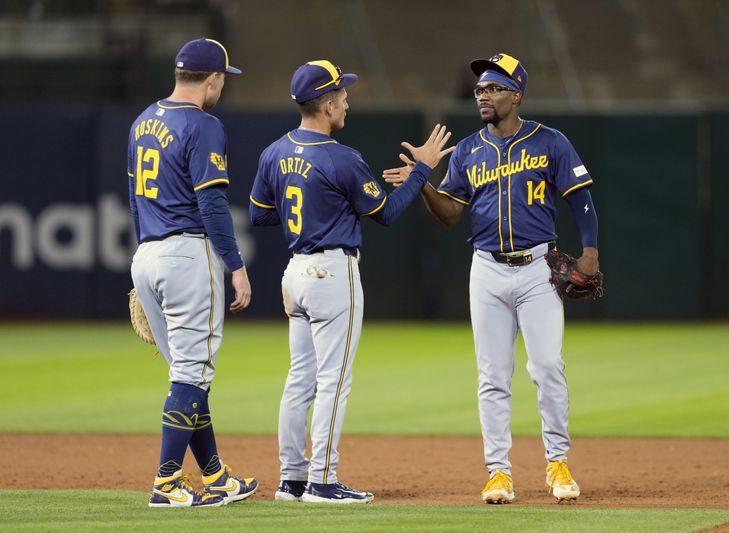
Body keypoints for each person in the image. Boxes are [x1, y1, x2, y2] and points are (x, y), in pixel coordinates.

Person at [383, 53, 599, 504]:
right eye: (480, 89)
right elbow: (449, 215)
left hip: (538, 268)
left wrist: (591, 253)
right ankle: (498, 472)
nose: (483, 95)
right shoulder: (467, 151)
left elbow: (580, 199)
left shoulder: (551, 142)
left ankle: (557, 462)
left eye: (494, 88)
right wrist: (423, 183)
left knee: (547, 369)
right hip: (486, 270)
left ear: (516, 95)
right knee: (492, 376)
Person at [249, 60, 454, 504]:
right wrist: (422, 170)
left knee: (299, 379)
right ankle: (322, 481)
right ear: (325, 104)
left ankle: (292, 480)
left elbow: (258, 215)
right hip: (331, 273)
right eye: (342, 95)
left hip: (295, 272)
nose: (346, 101)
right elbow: (387, 214)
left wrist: (307, 210)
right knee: (333, 381)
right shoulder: (342, 158)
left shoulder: (274, 152)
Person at [128, 38, 258, 508]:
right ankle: (166, 482)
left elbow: (136, 201)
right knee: (191, 373)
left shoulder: (143, 120)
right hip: (186, 254)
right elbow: (211, 202)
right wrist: (236, 266)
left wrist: (143, 267)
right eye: (224, 78)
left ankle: (216, 476)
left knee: (188, 375)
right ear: (212, 79)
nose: (223, 85)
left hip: (147, 253)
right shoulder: (203, 124)